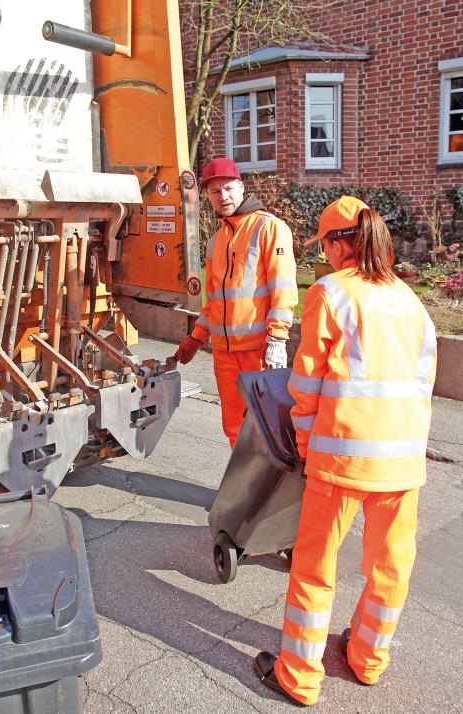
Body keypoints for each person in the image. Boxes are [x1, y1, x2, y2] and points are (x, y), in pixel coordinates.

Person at [254, 196, 437, 706]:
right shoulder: (410, 299)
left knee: (314, 565)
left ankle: (299, 676)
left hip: (341, 457)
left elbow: (306, 382)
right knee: (390, 564)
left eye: (325, 245)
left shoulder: (331, 293)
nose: (324, 256)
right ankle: (366, 659)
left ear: (341, 244)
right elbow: (424, 384)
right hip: (401, 462)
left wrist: (307, 447)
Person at [176, 158, 298, 447]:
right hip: (224, 354)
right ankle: (243, 488)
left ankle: (272, 489)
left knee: (268, 426)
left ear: (241, 187)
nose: (223, 197)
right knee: (233, 426)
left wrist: (278, 339)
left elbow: (283, 287)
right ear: (208, 196)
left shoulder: (269, 228)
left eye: (228, 188)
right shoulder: (215, 242)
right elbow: (214, 302)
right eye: (215, 192)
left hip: (259, 350)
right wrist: (195, 339)